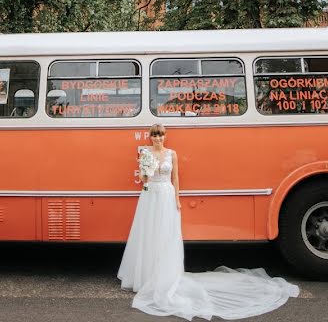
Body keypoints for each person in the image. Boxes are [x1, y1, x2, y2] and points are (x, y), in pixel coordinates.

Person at [117, 124, 300, 320]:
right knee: (149, 234)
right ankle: (145, 276)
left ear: (165, 137)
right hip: (150, 196)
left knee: (165, 236)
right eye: (155, 135)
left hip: (166, 195)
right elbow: (144, 180)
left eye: (161, 135)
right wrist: (146, 173)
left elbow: (176, 178)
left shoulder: (172, 154)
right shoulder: (146, 154)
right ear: (151, 137)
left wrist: (177, 200)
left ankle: (164, 275)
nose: (158, 139)